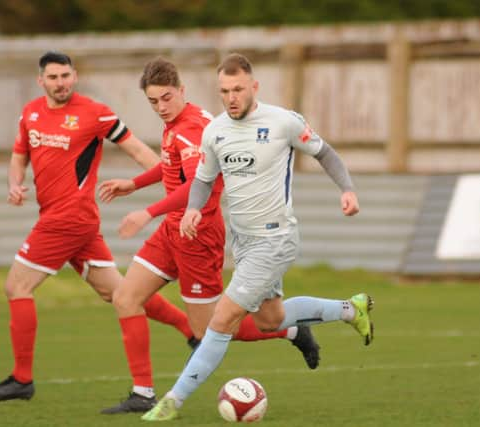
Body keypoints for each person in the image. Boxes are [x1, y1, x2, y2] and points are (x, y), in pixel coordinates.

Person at [141, 53, 375, 421]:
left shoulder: (283, 122)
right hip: (243, 241)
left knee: (222, 319)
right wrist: (191, 209)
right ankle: (350, 309)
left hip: (276, 239)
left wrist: (347, 189)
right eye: (224, 91)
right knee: (270, 320)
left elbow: (325, 153)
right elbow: (202, 179)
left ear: (253, 87)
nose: (231, 97)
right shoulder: (215, 130)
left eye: (237, 89)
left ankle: (172, 400)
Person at [97, 57, 320, 415]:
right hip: (172, 231)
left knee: (214, 330)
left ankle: (291, 331)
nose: (161, 107)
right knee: (125, 297)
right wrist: (133, 184)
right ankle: (142, 393)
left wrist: (146, 211)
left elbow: (196, 186)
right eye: (153, 102)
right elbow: (171, 167)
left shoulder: (196, 129)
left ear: (182, 91)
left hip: (198, 236)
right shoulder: (176, 124)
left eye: (166, 98)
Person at [0, 51, 197, 401]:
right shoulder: (30, 114)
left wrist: (176, 186)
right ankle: (190, 330)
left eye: (65, 76)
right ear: (41, 81)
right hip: (65, 221)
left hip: (68, 218)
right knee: (120, 293)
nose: (60, 83)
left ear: (74, 76)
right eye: (53, 78)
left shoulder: (96, 112)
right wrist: (14, 184)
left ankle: (22, 379)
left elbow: (140, 151)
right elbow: (19, 156)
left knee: (16, 286)